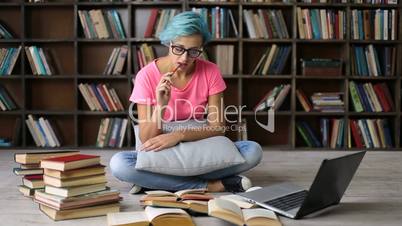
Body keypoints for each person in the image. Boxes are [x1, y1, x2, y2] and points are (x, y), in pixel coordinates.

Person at [110, 11, 262, 193]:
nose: (184, 58)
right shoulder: (146, 75)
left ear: (201, 48)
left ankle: (156, 181)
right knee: (119, 164)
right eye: (179, 49)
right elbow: (147, 138)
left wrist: (178, 135)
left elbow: (218, 127)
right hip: (161, 148)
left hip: (199, 143)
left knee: (253, 150)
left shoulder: (211, 71)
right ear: (169, 43)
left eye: (193, 52)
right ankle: (208, 184)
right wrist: (161, 105)